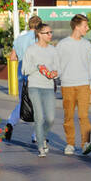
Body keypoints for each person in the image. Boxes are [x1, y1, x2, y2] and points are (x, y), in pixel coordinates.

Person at [56, 14, 91, 156]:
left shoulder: (86, 44)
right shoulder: (62, 44)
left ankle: (85, 144)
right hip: (67, 85)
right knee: (68, 116)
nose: (87, 28)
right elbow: (57, 64)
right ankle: (70, 144)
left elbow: (89, 64)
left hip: (84, 84)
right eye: (85, 26)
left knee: (84, 116)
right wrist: (57, 79)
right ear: (77, 27)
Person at [4, 16, 42, 143]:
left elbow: (13, 57)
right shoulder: (38, 39)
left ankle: (10, 123)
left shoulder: (19, 39)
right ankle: (36, 135)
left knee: (23, 102)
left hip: (21, 75)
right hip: (35, 76)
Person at [25, 24, 61, 157]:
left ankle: (43, 137)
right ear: (39, 34)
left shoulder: (53, 50)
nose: (50, 35)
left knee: (50, 118)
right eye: (47, 33)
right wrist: (38, 67)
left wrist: (53, 73)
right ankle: (41, 146)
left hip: (48, 87)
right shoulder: (31, 50)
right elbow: (25, 70)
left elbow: (58, 68)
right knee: (39, 117)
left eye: (51, 32)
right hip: (34, 86)